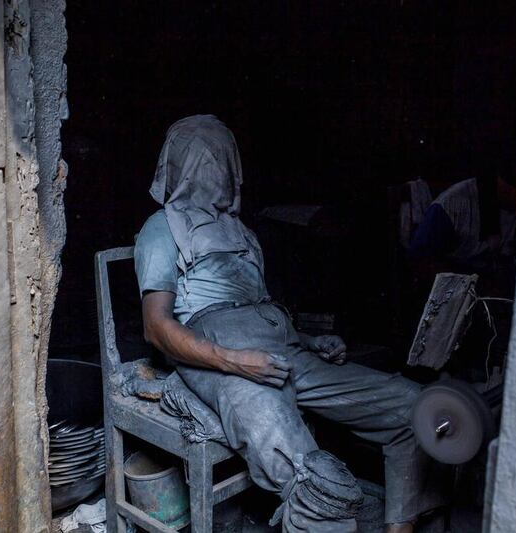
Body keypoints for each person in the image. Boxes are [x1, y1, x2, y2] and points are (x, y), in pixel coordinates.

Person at [134, 115, 444, 532]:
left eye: (223, 158)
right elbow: (156, 327)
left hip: (283, 350)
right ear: (179, 164)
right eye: (205, 158)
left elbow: (258, 311)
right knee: (315, 481)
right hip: (217, 357)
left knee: (413, 408)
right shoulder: (163, 226)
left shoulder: (243, 234)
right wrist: (233, 361)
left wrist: (311, 341)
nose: (218, 169)